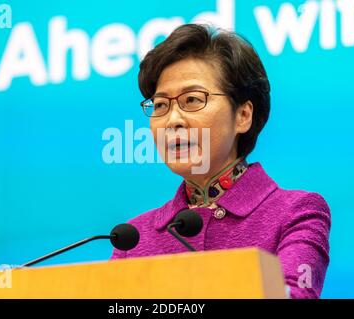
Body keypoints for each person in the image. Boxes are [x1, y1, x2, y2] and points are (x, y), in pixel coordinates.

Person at [110, 24, 331, 299]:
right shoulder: (132, 237)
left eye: (192, 99)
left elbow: (293, 295)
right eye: (160, 105)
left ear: (243, 115)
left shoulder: (296, 213)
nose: (173, 120)